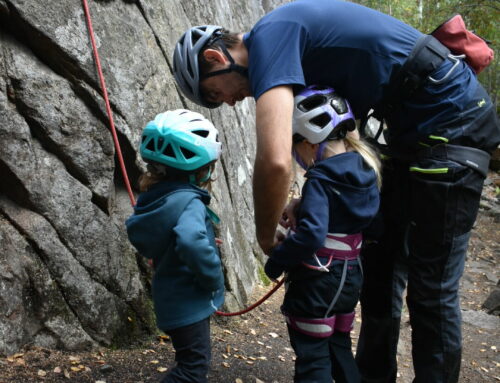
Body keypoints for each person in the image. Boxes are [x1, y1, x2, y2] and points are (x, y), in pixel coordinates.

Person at [172, 0, 500, 381]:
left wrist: (266, 237)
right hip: (408, 132)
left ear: (215, 57)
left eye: (214, 94)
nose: (228, 102)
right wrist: (312, 200)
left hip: (452, 122)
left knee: (431, 289)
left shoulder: (272, 37)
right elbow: (341, 139)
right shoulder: (284, 43)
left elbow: (276, 159)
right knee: (379, 273)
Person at [264, 85, 380, 382]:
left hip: (319, 279)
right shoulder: (366, 170)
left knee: (313, 354)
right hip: (351, 275)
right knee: (338, 345)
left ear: (311, 143)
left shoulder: (320, 179)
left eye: (295, 145)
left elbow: (312, 236)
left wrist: (277, 261)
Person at [125, 109, 224, 383]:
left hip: (170, 298)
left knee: (189, 362)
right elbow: (191, 241)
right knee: (192, 370)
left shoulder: (155, 200)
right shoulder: (189, 201)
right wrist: (213, 277)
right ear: (201, 169)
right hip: (188, 302)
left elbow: (167, 237)